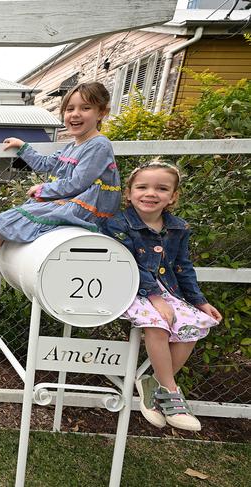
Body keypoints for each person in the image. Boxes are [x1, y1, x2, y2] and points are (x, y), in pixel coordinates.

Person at [0, 81, 121, 280]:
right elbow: (45, 163)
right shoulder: (72, 146)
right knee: (13, 221)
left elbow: (78, 183)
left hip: (86, 209)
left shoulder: (99, 145)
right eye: (69, 109)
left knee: (16, 216)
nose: (75, 114)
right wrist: (23, 147)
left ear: (101, 113)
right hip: (68, 202)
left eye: (85, 108)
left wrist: (43, 189)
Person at [102, 160, 222, 431]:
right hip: (130, 288)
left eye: (161, 188)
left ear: (173, 196)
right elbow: (128, 263)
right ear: (129, 193)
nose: (150, 193)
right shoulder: (118, 224)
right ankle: (170, 391)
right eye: (142, 187)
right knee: (157, 324)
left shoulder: (178, 227)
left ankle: (152, 383)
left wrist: (200, 301)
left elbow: (183, 267)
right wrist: (155, 298)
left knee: (195, 324)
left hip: (167, 290)